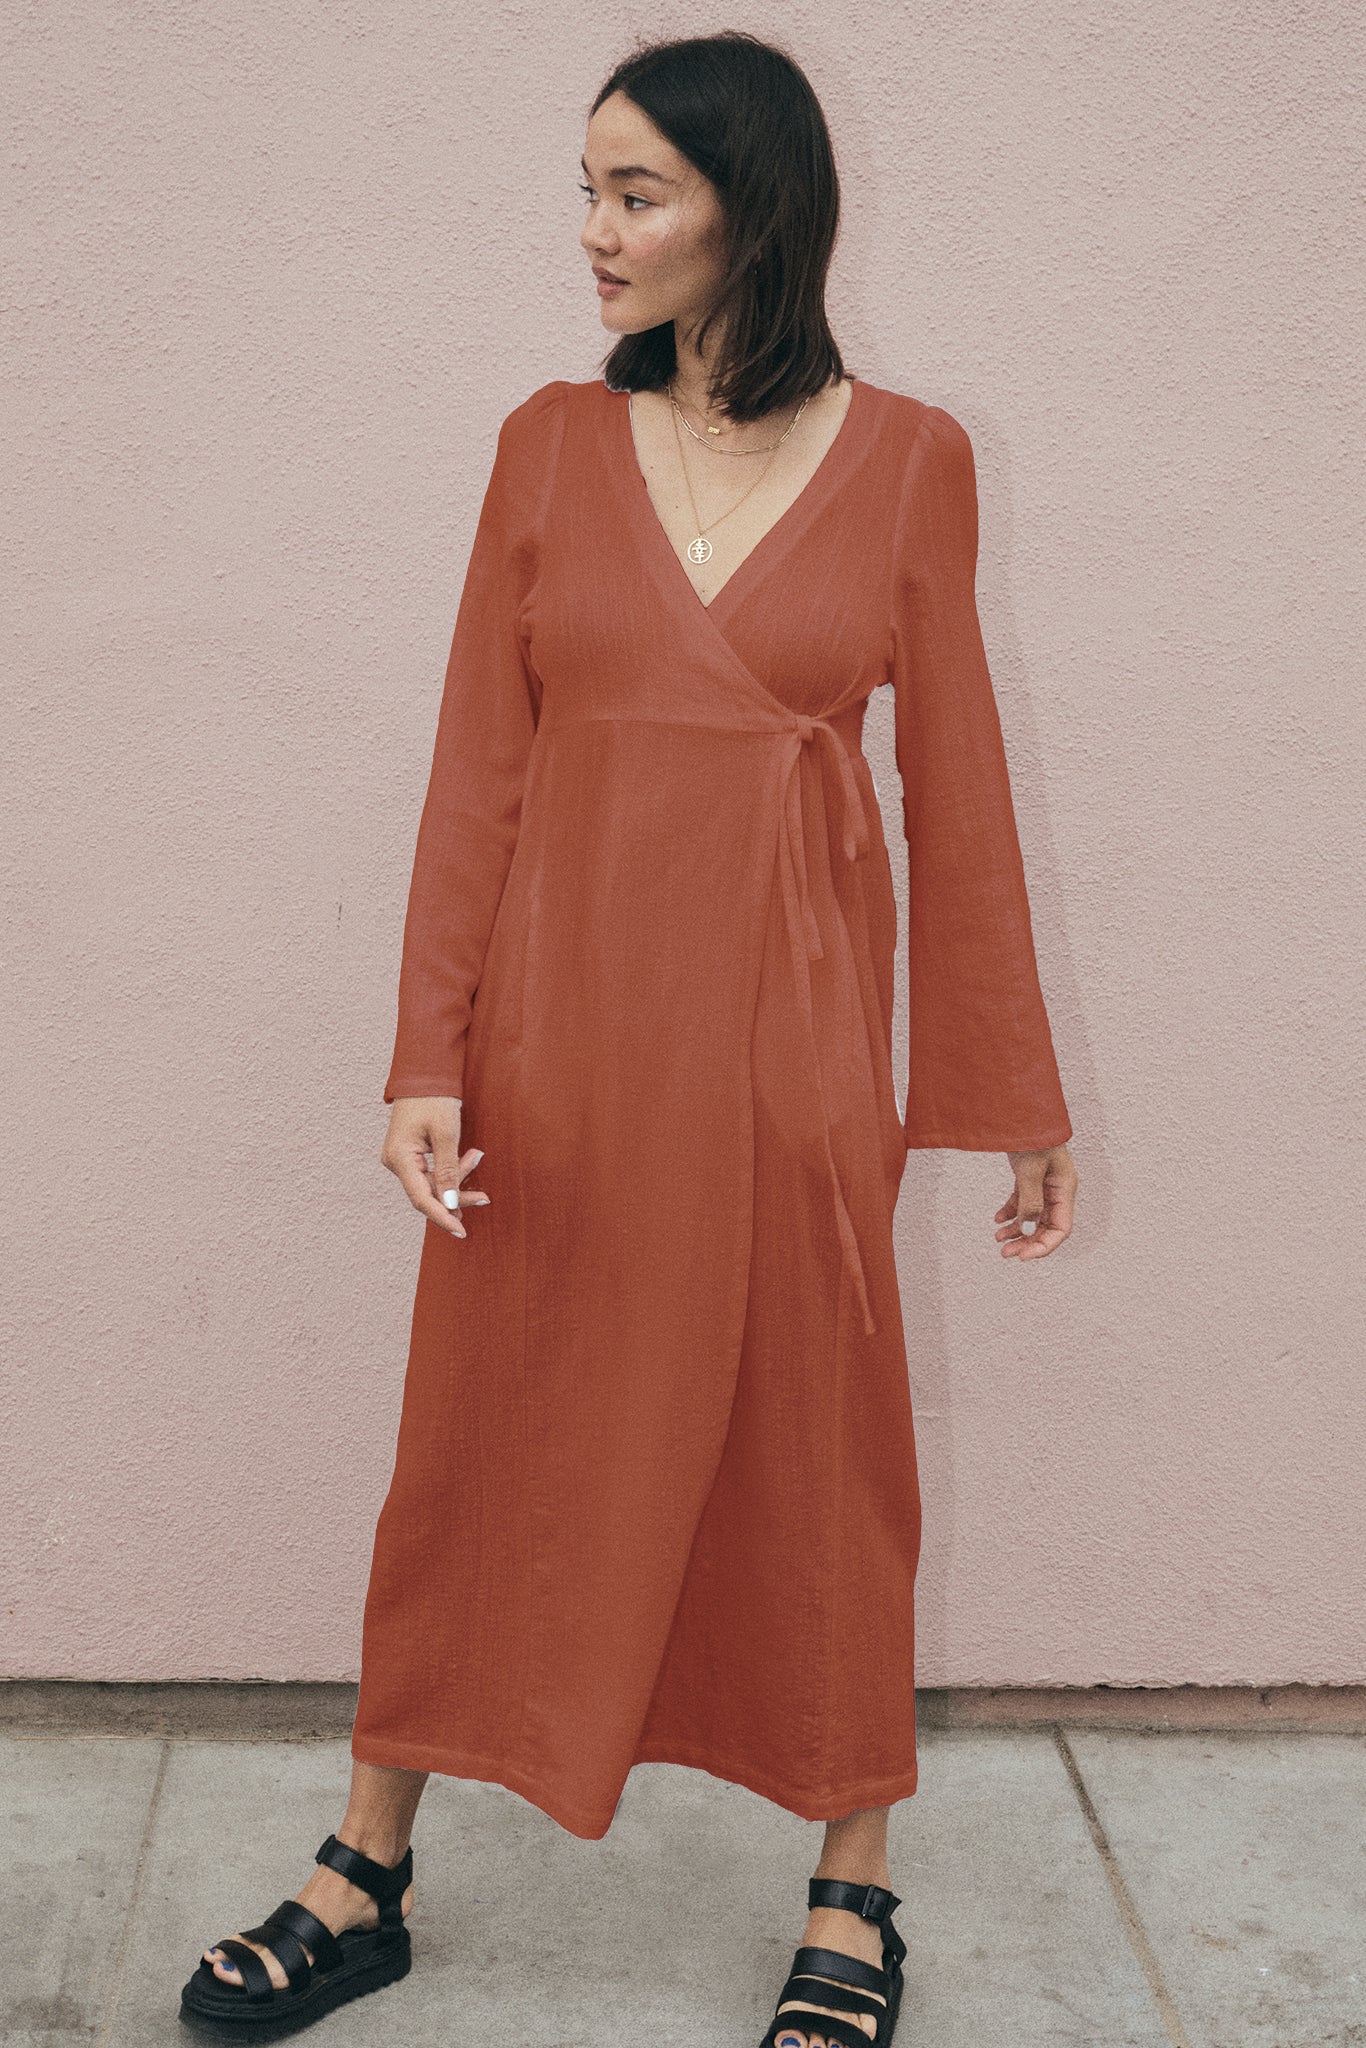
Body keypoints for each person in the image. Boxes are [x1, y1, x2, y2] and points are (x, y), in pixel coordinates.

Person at [178, 30, 1078, 2048]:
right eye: (584, 189)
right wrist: (426, 1057)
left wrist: (1004, 1091)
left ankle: (850, 1897)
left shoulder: (911, 457)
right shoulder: (543, 445)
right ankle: (364, 1869)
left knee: (816, 1455)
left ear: (752, 209)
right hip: (557, 1053)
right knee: (474, 1445)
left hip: (785, 1062)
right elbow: (475, 772)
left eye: (633, 192)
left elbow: (958, 789)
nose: (590, 231)